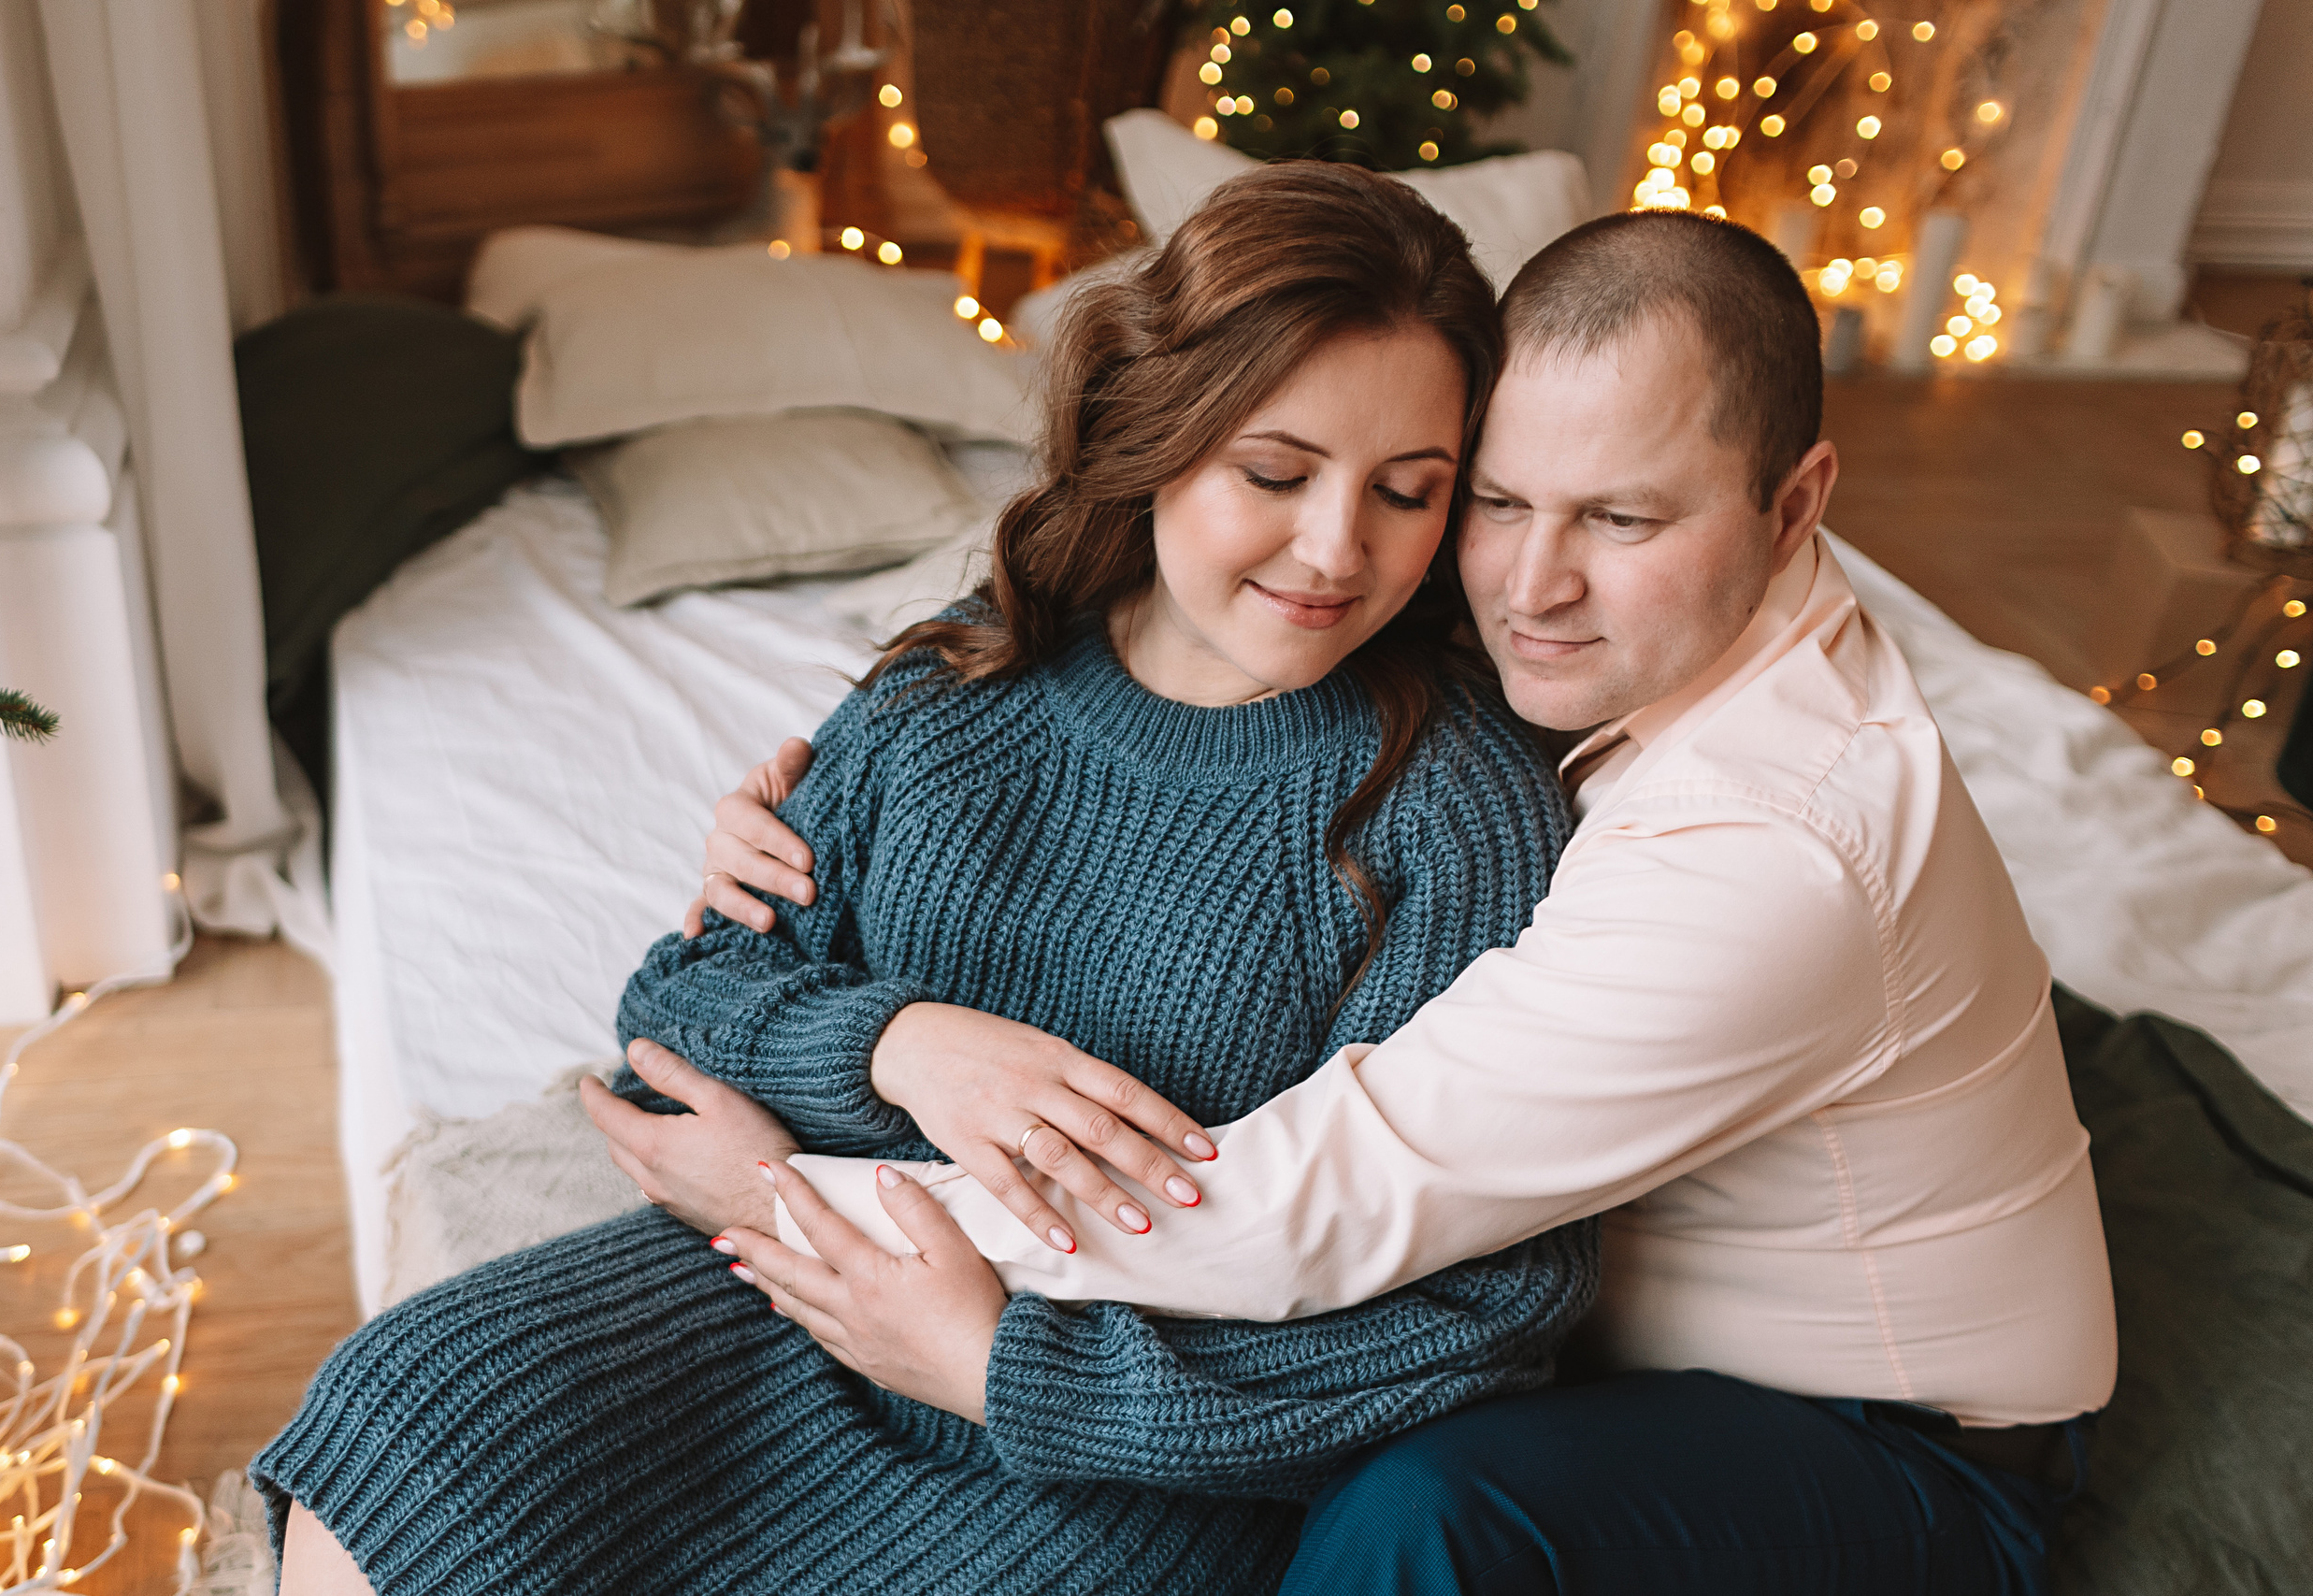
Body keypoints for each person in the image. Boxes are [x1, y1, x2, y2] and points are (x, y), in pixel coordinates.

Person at [667, 210, 2119, 1595]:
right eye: (1492, 500)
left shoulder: (1769, 850)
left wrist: (789, 1204)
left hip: (1880, 1441)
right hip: (1648, 1319)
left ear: (1795, 504)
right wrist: (827, 883)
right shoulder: (1522, 634)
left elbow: (1305, 1206)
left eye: (1621, 518)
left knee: (1426, 1522)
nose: (1534, 588)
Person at [256, 161, 1599, 1596]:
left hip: (1108, 1442)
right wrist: (904, 1050)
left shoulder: (1455, 814)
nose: (1338, 549)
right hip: (779, 1295)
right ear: (1155, 437)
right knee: (404, 1407)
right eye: (1274, 474)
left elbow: (1495, 1308)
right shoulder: (965, 678)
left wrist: (1012, 1371)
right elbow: (676, 1018)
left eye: (1411, 493)